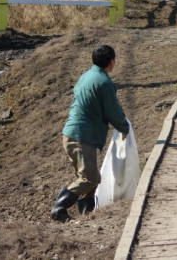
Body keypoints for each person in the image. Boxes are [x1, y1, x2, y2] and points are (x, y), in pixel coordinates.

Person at [51, 45, 130, 222]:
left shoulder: (86, 76)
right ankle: (59, 208)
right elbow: (112, 111)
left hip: (72, 133)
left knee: (90, 177)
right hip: (82, 136)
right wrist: (124, 127)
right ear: (111, 62)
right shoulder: (104, 83)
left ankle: (86, 212)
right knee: (90, 178)